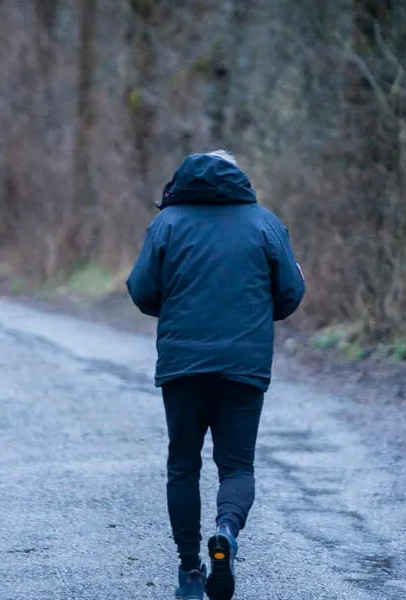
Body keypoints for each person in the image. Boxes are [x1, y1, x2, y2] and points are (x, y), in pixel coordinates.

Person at [127, 149, 305, 600]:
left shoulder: (167, 224)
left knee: (183, 466)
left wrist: (177, 304)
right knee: (237, 466)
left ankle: (190, 572)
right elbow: (289, 294)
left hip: (183, 366)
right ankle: (226, 531)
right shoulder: (264, 223)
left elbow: (142, 291)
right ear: (237, 177)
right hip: (244, 366)